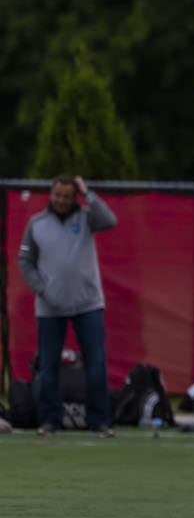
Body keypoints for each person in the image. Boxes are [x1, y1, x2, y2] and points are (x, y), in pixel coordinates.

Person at [16, 174, 117, 437]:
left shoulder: (87, 217)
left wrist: (88, 193)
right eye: (57, 194)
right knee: (48, 365)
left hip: (88, 304)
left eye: (67, 195)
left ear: (74, 197)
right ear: (51, 194)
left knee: (96, 363)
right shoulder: (37, 224)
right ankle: (50, 420)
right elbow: (24, 260)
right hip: (50, 307)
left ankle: (99, 421)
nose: (61, 200)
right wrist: (41, 288)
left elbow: (110, 220)